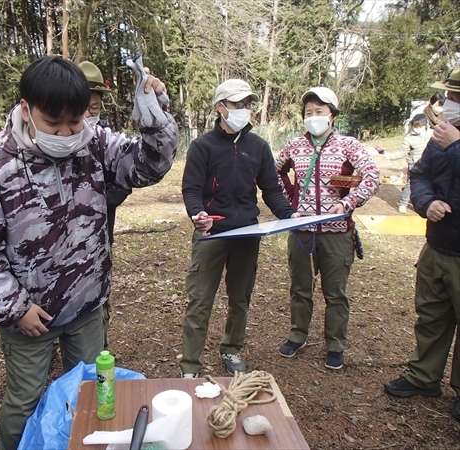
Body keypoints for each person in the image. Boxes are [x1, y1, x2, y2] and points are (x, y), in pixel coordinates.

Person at [0, 56, 178, 450]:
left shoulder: (93, 144)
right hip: (31, 318)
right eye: (53, 123)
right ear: (26, 109)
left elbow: (148, 167)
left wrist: (154, 117)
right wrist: (16, 310)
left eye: (74, 122)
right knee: (25, 403)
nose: (65, 132)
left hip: (86, 305)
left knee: (95, 395)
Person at [180, 79, 297, 378]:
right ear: (220, 107)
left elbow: (271, 189)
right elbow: (192, 190)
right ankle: (190, 365)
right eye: (236, 104)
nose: (244, 110)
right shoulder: (202, 146)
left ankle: (231, 348)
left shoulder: (258, 147)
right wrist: (198, 214)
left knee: (240, 297)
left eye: (247, 104)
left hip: (247, 234)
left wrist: (288, 216)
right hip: (211, 234)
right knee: (200, 300)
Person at [275, 87, 381, 370]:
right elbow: (274, 172)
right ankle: (298, 335)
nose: (313, 117)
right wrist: (291, 201)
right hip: (302, 231)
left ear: (332, 115)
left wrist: (348, 201)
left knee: (335, 293)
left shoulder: (349, 145)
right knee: (300, 288)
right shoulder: (294, 146)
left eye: (319, 111)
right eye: (308, 113)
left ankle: (335, 344)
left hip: (337, 233)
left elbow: (371, 176)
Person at [384, 65, 460, 421]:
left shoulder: (452, 140)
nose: (448, 104)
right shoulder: (442, 136)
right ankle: (424, 376)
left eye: (456, 97)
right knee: (431, 313)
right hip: (438, 244)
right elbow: (420, 174)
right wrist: (427, 203)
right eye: (449, 96)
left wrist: (457, 147)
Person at [78, 61, 132, 350]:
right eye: (85, 106)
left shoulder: (106, 138)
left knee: (98, 298)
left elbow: (124, 182)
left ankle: (100, 346)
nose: (90, 114)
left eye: (95, 108)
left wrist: (98, 198)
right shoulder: (53, 136)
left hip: (99, 235)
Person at [386, 114, 433, 214]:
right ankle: (403, 204)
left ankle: (425, 203)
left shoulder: (431, 134)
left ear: (425, 125)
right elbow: (402, 152)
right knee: (409, 184)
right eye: (416, 127)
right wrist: (390, 156)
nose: (417, 129)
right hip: (415, 164)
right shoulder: (409, 138)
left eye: (420, 127)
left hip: (430, 163)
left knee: (429, 184)